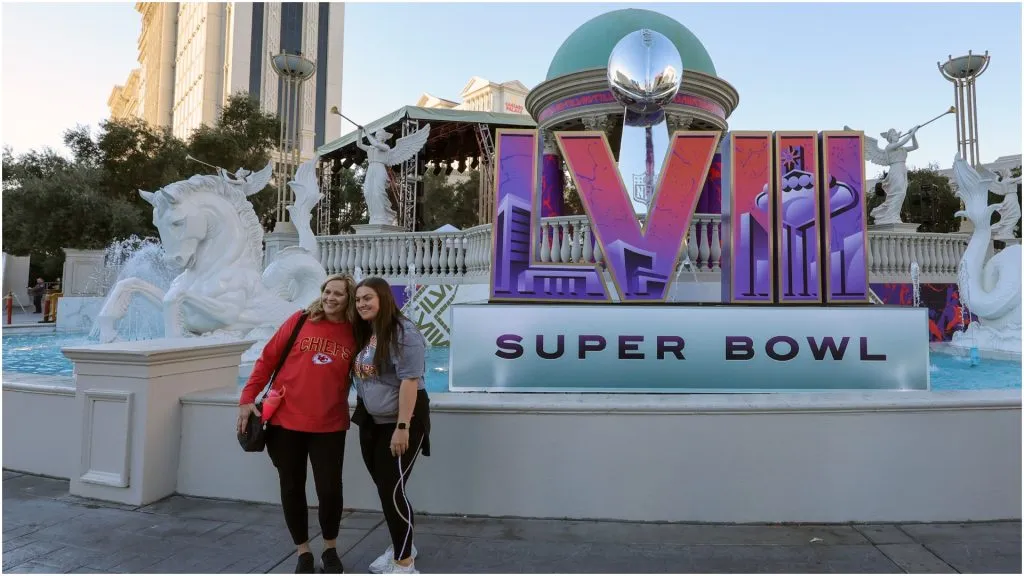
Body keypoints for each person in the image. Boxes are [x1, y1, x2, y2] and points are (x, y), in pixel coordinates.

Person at [237, 274, 357, 574]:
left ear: (349, 298)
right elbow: (266, 359)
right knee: (291, 486)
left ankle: (330, 548)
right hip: (284, 423)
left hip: (329, 424)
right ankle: (303, 551)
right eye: (327, 291)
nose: (331, 298)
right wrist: (247, 396)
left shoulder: (356, 331)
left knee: (329, 490)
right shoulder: (301, 320)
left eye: (338, 294)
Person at [351, 277, 431, 575]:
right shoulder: (368, 330)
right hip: (372, 421)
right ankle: (403, 546)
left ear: (384, 298)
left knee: (392, 490)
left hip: (400, 421)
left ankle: (404, 562)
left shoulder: (403, 331)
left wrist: (403, 426)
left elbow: (410, 380)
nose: (362, 304)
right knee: (386, 489)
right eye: (358, 299)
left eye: (368, 298)